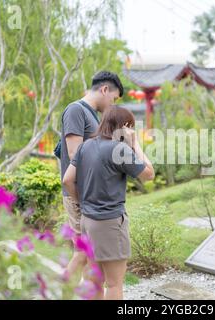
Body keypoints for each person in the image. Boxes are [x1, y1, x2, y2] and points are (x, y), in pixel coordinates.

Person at [62, 106, 155, 300]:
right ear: (124, 126)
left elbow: (67, 180)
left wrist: (82, 202)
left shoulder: (85, 146)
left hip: (88, 221)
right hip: (110, 223)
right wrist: (135, 143)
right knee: (113, 283)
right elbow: (149, 174)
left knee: (94, 279)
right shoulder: (119, 149)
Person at [60, 71, 124, 284]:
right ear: (105, 90)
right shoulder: (76, 110)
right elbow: (74, 154)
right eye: (113, 99)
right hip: (78, 193)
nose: (112, 105)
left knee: (89, 258)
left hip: (90, 196)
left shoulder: (91, 115)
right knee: (82, 253)